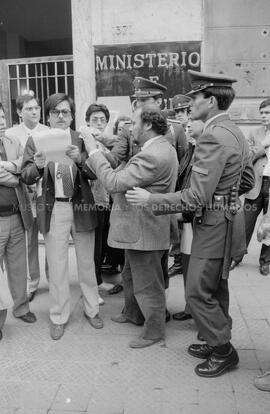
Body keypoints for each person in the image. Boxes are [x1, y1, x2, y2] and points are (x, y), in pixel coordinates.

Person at [126, 70, 255, 376]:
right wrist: (225, 195)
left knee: (196, 290)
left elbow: (196, 196)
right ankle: (215, 340)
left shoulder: (213, 134)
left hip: (211, 224)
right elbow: (247, 179)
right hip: (222, 218)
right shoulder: (234, 130)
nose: (190, 103)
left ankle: (223, 350)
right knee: (214, 286)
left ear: (210, 101)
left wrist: (150, 200)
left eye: (195, 97)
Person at [80, 104, 179, 348]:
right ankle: (133, 313)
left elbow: (113, 182)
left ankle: (154, 331)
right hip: (139, 228)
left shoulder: (153, 155)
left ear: (147, 125)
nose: (129, 127)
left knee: (148, 284)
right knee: (130, 274)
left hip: (144, 229)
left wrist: (93, 151)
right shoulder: (157, 147)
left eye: (133, 123)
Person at [21, 93, 102, 340]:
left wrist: (80, 161)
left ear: (71, 115)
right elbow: (25, 175)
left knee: (87, 264)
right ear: (48, 116)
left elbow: (96, 172)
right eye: (56, 112)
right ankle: (58, 316)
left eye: (65, 112)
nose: (61, 117)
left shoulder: (81, 139)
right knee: (57, 266)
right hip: (53, 208)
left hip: (81, 207)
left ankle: (92, 309)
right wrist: (39, 166)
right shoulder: (36, 140)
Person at [5, 93, 49, 301]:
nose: (34, 112)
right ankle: (32, 283)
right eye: (29, 108)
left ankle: (53, 277)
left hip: (46, 193)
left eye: (36, 108)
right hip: (22, 194)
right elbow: (18, 165)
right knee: (30, 241)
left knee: (51, 238)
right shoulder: (11, 134)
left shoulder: (49, 132)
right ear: (19, 112)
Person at [0, 102, 37, 329]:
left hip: (16, 216)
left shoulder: (13, 142)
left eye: (2, 117)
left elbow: (26, 166)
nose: (1, 122)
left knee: (18, 267)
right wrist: (15, 175)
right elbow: (18, 177)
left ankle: (22, 307)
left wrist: (7, 166)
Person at [230, 98, 270, 275]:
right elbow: (247, 157)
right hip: (256, 186)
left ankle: (265, 261)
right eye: (262, 113)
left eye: (267, 113)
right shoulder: (255, 133)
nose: (263, 116)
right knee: (245, 223)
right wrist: (264, 146)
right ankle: (236, 256)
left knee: (269, 225)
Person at [172, 120, 204, 323]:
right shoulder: (191, 148)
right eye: (187, 123)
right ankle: (190, 307)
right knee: (187, 263)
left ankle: (203, 319)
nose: (188, 126)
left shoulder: (206, 150)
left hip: (197, 218)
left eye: (193, 122)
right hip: (186, 216)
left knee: (199, 271)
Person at [168, 94, 192, 278]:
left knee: (182, 225)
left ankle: (179, 261)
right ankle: (178, 259)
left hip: (185, 185)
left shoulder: (185, 131)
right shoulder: (174, 130)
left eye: (184, 111)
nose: (181, 114)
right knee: (177, 225)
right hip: (176, 182)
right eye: (177, 111)